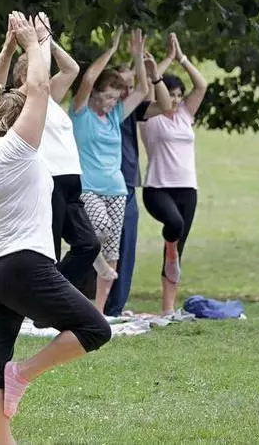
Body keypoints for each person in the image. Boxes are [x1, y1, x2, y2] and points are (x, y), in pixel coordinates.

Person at [0, 13, 112, 445]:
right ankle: (23, 373)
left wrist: (7, 48)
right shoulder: (18, 150)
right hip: (23, 265)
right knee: (95, 329)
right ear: (19, 122)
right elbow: (40, 88)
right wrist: (35, 42)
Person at [10, 14, 105, 296]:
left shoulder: (49, 99)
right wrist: (37, 45)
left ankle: (50, 294)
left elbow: (71, 69)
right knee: (48, 250)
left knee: (88, 245)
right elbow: (38, 82)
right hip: (48, 181)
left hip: (72, 182)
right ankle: (43, 302)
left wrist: (48, 41)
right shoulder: (22, 100)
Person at [70, 29, 160, 312]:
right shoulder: (80, 113)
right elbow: (87, 78)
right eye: (108, 97)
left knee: (113, 250)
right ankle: (95, 261)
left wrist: (137, 57)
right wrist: (110, 50)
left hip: (117, 189)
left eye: (115, 98)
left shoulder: (114, 116)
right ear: (95, 94)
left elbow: (143, 91)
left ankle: (99, 310)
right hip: (88, 186)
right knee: (102, 229)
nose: (112, 103)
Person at [140, 33, 208, 315]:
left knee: (178, 248)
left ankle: (167, 308)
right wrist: (163, 63)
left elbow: (201, 85)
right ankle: (171, 247)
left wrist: (181, 58)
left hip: (187, 189)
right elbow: (148, 86)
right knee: (174, 225)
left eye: (180, 95)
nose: (177, 100)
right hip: (158, 188)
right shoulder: (149, 116)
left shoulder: (184, 115)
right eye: (172, 95)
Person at [105, 44, 171, 316]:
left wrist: (156, 72)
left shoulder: (131, 109)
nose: (127, 91)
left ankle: (114, 308)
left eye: (129, 87)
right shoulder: (103, 109)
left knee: (126, 246)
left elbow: (164, 105)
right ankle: (93, 303)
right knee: (96, 245)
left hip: (128, 182)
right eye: (122, 86)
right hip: (101, 185)